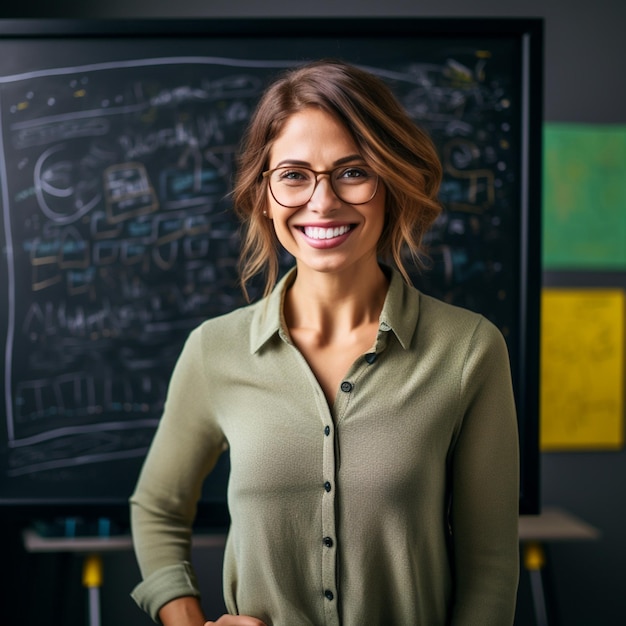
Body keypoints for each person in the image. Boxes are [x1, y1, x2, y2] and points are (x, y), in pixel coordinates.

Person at [130, 59, 520, 626]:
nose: (322, 201)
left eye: (352, 171)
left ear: (390, 183)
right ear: (264, 194)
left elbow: (490, 567)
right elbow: (156, 509)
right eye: (293, 174)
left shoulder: (468, 351)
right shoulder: (214, 351)